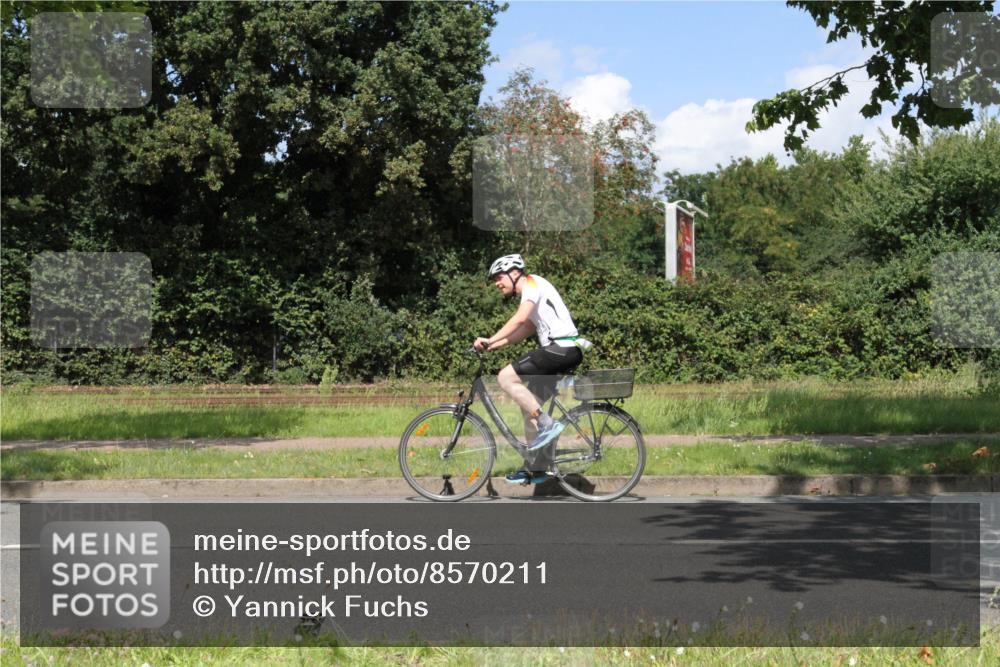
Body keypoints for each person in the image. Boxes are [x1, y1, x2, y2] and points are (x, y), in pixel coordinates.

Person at [473, 254, 590, 485]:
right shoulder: (532, 291)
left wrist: (489, 337)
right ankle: (535, 469)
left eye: (499, 277)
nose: (497, 283)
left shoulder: (532, 284)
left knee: (505, 377)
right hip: (561, 351)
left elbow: (518, 319)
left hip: (562, 348)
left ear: (515, 273)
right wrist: (493, 345)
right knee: (529, 409)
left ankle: (548, 424)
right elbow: (525, 328)